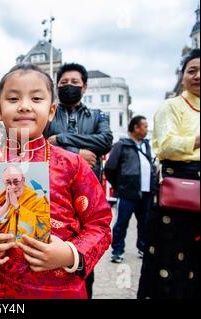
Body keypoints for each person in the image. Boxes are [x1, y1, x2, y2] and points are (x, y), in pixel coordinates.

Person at [0, 63, 112, 299]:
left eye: (36, 98)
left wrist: (70, 254)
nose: (24, 106)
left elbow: (99, 223)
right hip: (0, 291)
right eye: (13, 98)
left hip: (61, 289)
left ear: (51, 111)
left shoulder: (73, 165)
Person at [42, 62, 113, 298]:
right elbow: (42, 143)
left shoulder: (97, 115)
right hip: (54, 194)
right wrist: (78, 153)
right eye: (63, 83)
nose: (69, 87)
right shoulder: (49, 114)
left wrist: (61, 139)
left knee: (84, 257)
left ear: (84, 87)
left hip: (87, 195)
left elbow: (105, 141)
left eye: (74, 83)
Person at [138, 49, 200, 299]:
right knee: (171, 257)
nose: (197, 75)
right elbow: (166, 145)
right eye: (192, 70)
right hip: (179, 190)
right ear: (183, 76)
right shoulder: (172, 106)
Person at [105, 116, 157, 263]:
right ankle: (117, 250)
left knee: (145, 223)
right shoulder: (122, 145)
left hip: (146, 192)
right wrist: (119, 185)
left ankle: (142, 248)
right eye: (145, 126)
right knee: (122, 223)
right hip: (128, 192)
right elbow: (110, 168)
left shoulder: (146, 145)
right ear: (136, 128)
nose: (147, 129)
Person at [0, 165, 50, 243]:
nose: (13, 187)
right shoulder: (3, 197)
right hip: (4, 248)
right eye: (8, 183)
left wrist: (17, 206)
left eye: (16, 182)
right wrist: (7, 204)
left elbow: (44, 230)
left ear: (23, 180)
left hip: (28, 249)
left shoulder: (37, 198)